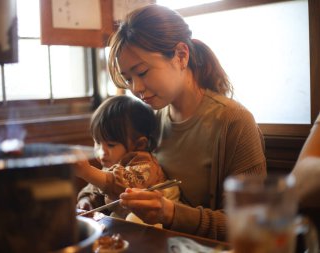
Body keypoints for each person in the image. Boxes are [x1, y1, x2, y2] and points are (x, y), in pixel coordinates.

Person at [107, 4, 267, 241]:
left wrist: (170, 213)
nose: (136, 88)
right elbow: (122, 169)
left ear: (181, 55)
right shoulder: (151, 117)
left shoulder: (233, 121)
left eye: (142, 72)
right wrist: (89, 195)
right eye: (128, 79)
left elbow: (249, 223)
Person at [75, 95, 180, 223]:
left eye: (111, 145)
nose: (101, 152)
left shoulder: (146, 165)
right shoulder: (110, 163)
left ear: (139, 144)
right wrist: (86, 201)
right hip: (123, 224)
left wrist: (87, 172)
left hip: (155, 225)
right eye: (97, 142)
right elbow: (94, 188)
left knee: (134, 219)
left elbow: (122, 184)